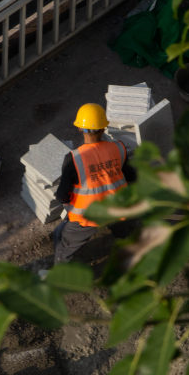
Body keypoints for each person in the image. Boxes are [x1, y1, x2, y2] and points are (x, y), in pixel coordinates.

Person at [53, 102, 136, 263]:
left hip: (87, 216)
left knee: (66, 242)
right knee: (125, 230)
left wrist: (68, 205)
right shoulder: (118, 148)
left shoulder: (74, 159)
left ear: (79, 128)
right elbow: (131, 176)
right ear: (104, 128)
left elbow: (62, 195)